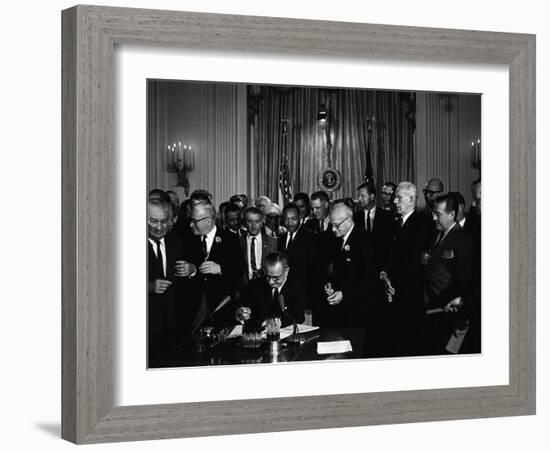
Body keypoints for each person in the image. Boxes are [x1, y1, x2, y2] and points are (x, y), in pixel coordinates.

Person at [380, 182, 431, 356]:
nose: (394, 201)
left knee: (409, 345)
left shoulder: (421, 224)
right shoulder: (396, 223)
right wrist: (385, 276)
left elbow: (412, 263)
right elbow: (390, 256)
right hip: (394, 294)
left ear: (411, 200)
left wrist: (393, 286)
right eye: (395, 197)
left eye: (399, 197)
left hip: (410, 297)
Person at [180, 202, 245, 332]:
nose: (191, 224)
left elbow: (240, 269)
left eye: (194, 221)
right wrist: (192, 270)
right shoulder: (187, 240)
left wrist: (221, 269)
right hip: (195, 309)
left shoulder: (230, 239)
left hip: (222, 307)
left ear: (208, 221)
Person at [422, 194, 474, 354]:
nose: (434, 217)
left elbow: (464, 279)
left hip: (446, 312)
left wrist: (451, 304)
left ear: (452, 214)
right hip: (431, 309)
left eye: (438, 214)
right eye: (433, 213)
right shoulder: (437, 234)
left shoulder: (463, 239)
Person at [320, 204, 378, 329]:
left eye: (336, 225)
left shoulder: (364, 240)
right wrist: (331, 285)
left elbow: (370, 279)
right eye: (332, 225)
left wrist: (345, 294)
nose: (333, 229)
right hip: (343, 312)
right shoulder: (337, 240)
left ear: (348, 220)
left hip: (359, 312)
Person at [147, 198, 185, 364]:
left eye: (164, 221)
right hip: (145, 325)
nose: (159, 227)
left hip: (173, 324)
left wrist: (191, 269)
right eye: (153, 221)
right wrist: (146, 286)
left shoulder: (176, 241)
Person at [236, 252, 306, 328]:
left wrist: (278, 322)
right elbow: (240, 308)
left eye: (276, 278)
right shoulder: (254, 286)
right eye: (268, 276)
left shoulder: (296, 287)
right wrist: (240, 315)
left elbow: (299, 317)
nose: (270, 282)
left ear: (286, 272)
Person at [354, 182, 394, 272]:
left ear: (372, 197)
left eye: (362, 196)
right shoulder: (355, 218)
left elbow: (389, 246)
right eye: (358, 196)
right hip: (360, 270)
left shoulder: (387, 217)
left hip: (380, 269)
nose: (359, 199)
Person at [239, 207, 278, 286]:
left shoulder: (272, 242)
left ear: (262, 222)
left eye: (257, 221)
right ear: (245, 223)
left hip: (266, 287)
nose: (253, 226)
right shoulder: (238, 242)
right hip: (244, 288)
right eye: (250, 222)